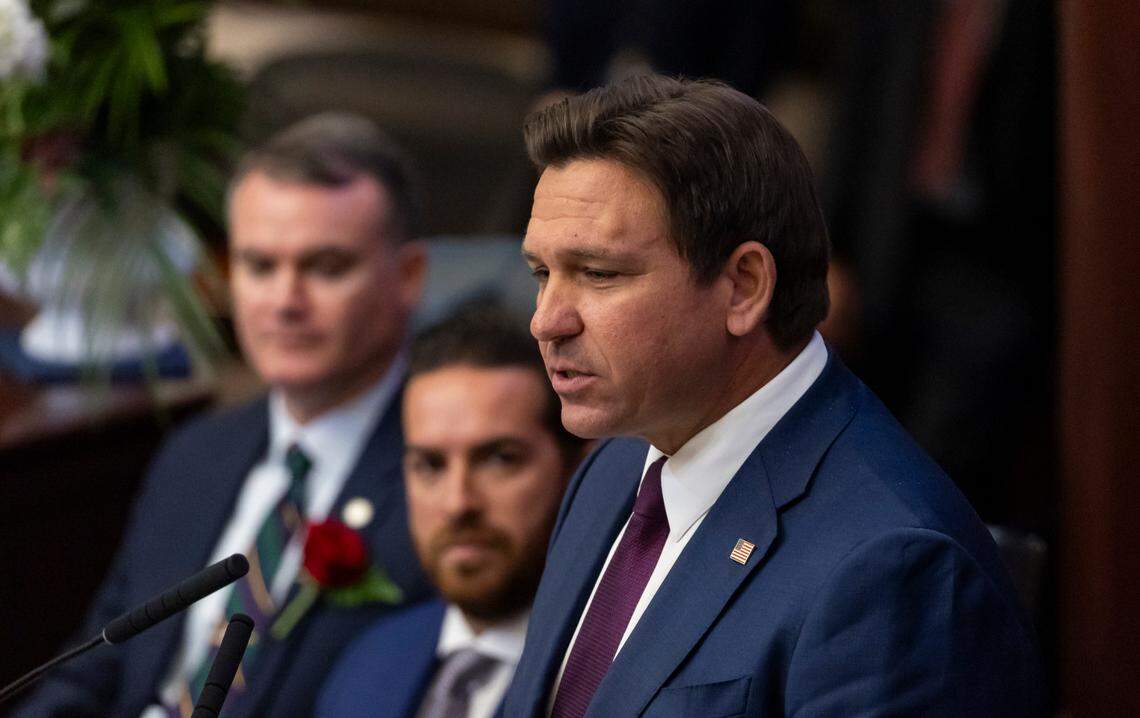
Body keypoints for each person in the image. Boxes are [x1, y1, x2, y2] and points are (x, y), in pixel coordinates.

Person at [502, 75, 1042, 716]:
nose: (547, 320)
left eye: (599, 274)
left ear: (744, 287)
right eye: (542, 273)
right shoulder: (615, 465)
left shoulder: (893, 570)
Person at [15, 112, 433, 717]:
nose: (285, 302)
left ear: (409, 276)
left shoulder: (446, 478)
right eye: (260, 266)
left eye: (325, 267)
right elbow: (89, 672)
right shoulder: (195, 454)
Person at [315, 302, 586, 717]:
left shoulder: (617, 673)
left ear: (580, 467)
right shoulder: (370, 660)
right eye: (430, 465)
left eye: (500, 459)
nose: (458, 503)